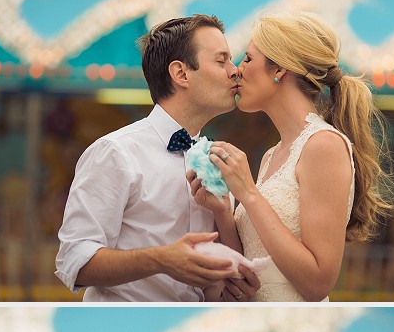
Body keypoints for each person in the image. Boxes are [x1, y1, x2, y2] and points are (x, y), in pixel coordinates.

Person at [190, 12, 394, 302]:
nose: (238, 70)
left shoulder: (324, 145)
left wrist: (249, 194)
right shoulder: (270, 156)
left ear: (279, 69)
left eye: (248, 59)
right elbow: (250, 267)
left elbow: (317, 283)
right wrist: (222, 211)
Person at [56, 15, 254, 302]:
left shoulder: (219, 160)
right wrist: (161, 260)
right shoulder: (115, 152)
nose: (235, 71)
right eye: (222, 61)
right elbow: (74, 261)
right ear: (181, 74)